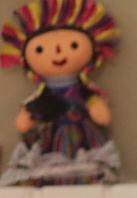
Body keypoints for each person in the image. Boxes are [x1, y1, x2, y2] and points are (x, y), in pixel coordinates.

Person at [0, 0, 121, 186]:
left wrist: (95, 105)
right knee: (46, 172)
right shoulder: (42, 94)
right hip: (49, 138)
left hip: (82, 137)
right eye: (40, 49)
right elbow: (25, 121)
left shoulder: (83, 91)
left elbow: (99, 112)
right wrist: (28, 115)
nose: (57, 52)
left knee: (88, 170)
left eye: (73, 46)